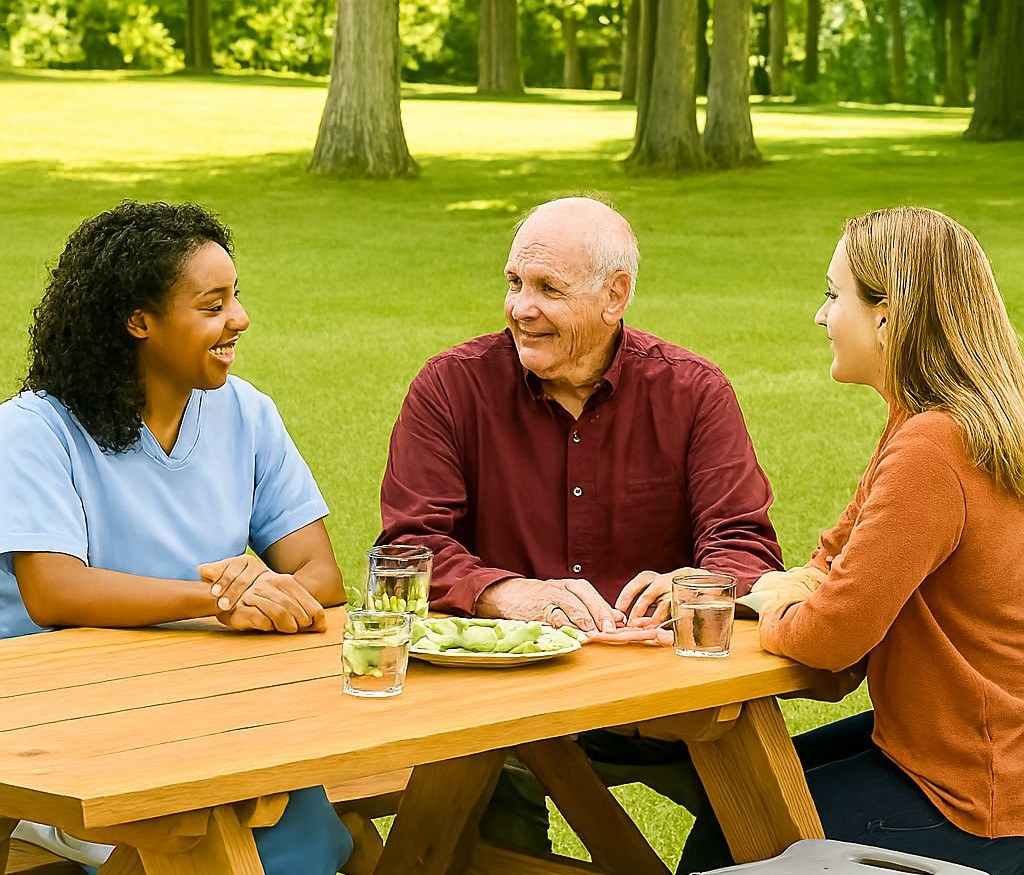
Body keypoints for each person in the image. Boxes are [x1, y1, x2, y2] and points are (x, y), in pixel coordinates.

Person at [377, 195, 784, 851]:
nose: (520, 306)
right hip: (507, 702)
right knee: (479, 838)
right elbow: (409, 545)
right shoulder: (450, 388)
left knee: (768, 827)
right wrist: (508, 594)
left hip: (665, 699)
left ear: (614, 295)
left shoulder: (694, 393)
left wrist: (693, 587)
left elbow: (744, 543)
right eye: (514, 282)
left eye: (548, 288)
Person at [0, 201, 352, 875]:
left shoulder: (246, 413)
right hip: (56, 731)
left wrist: (263, 587)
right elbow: (54, 590)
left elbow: (320, 576)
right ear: (139, 321)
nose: (239, 319)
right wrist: (220, 597)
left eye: (235, 297)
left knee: (295, 830)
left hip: (206, 714)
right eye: (213, 305)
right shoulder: (33, 430)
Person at [681, 207, 1024, 875]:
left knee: (734, 829)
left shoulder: (934, 446)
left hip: (977, 790)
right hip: (964, 751)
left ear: (887, 317)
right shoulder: (941, 422)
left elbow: (833, 636)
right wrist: (787, 591)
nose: (821, 315)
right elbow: (832, 561)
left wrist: (779, 604)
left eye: (834, 295)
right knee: (733, 793)